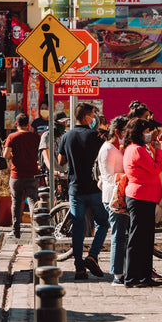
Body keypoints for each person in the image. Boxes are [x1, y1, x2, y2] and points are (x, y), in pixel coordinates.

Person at [58, 102, 109, 280]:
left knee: (78, 228)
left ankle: (79, 268)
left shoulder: (67, 136)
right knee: (103, 223)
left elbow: (61, 160)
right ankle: (93, 255)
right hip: (95, 189)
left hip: (75, 189)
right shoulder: (97, 136)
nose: (94, 118)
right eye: (93, 115)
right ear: (88, 117)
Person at [121, 117, 162, 288]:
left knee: (146, 239)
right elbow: (155, 168)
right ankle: (132, 277)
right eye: (146, 131)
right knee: (138, 238)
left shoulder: (135, 149)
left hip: (145, 196)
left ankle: (144, 276)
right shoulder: (137, 150)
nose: (148, 134)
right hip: (140, 197)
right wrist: (159, 151)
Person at [97, 115, 129, 283]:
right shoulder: (109, 149)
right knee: (118, 235)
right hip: (113, 196)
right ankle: (117, 273)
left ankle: (121, 270)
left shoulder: (113, 148)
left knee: (121, 234)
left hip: (115, 194)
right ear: (117, 132)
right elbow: (112, 176)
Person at [4, 113, 41, 239]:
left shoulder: (12, 137)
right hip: (32, 173)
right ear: (28, 124)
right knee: (32, 200)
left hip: (17, 175)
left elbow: (6, 155)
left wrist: (14, 155)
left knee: (16, 202)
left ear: (16, 124)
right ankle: (36, 229)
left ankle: (16, 231)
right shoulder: (35, 137)